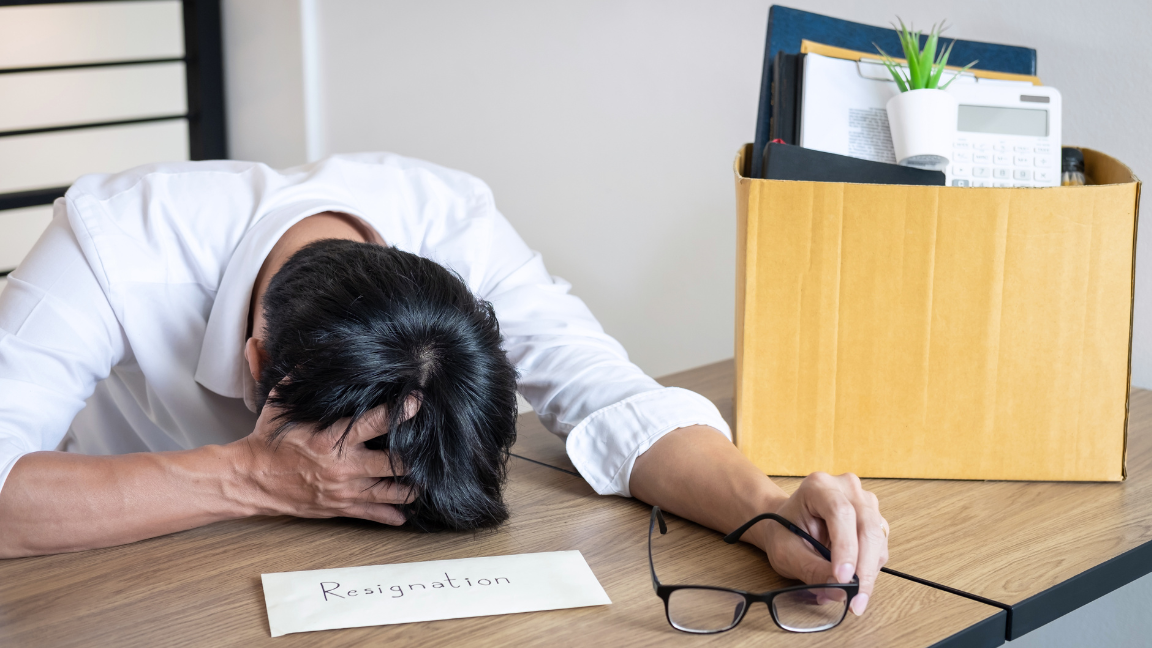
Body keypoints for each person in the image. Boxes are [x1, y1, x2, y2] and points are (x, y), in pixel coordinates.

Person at [0, 153, 887, 616]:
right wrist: (249, 475)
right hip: (123, 564)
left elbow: (611, 395)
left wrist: (767, 512)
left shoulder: (455, 228)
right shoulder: (112, 243)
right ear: (259, 367)